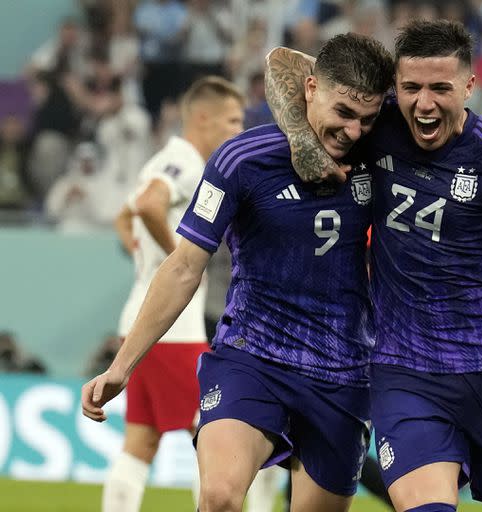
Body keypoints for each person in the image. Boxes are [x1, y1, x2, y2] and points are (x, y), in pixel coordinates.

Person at [266, 20, 482, 512]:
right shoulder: (378, 128)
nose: (424, 103)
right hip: (406, 370)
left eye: (440, 88)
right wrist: (305, 142)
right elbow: (283, 67)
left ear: (469, 85)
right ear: (394, 88)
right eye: (410, 88)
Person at [82, 33, 394, 512]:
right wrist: (122, 364)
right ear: (310, 89)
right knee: (220, 496)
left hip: (343, 372)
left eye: (366, 120)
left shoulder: (380, 157)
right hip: (253, 357)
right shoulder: (241, 160)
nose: (353, 131)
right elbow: (184, 265)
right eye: (344, 114)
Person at [100, 76, 245, 512]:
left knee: (140, 444)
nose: (239, 131)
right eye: (233, 120)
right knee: (216, 435)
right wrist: (178, 259)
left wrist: (143, 254)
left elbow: (125, 217)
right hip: (172, 330)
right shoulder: (184, 160)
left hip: (140, 324)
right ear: (203, 118)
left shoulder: (162, 159)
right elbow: (147, 204)